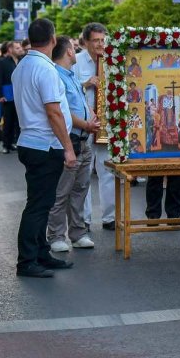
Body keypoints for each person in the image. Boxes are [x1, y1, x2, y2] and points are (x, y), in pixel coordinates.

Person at [12, 18, 78, 278]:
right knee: (39, 206)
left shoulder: (23, 66)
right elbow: (54, 112)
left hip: (31, 141)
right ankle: (27, 261)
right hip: (44, 145)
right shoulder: (45, 69)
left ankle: (41, 252)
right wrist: (68, 148)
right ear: (53, 39)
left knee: (42, 201)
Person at [46, 36, 99, 253]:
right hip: (71, 139)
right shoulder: (56, 76)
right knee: (62, 192)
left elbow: (82, 103)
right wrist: (87, 124)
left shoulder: (71, 76)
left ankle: (78, 233)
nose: (75, 50)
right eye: (73, 47)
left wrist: (93, 117)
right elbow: (63, 111)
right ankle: (56, 236)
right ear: (68, 51)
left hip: (84, 140)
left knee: (80, 189)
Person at [74, 23, 116, 231]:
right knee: (84, 172)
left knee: (107, 169)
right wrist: (87, 83)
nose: (100, 44)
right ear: (86, 42)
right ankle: (85, 219)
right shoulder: (77, 60)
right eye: (96, 41)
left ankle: (110, 217)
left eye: (103, 40)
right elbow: (69, 88)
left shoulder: (113, 59)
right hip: (83, 123)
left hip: (106, 122)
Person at [0, 41, 20, 153]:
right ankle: (5, 145)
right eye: (17, 48)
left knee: (18, 122)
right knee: (8, 121)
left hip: (20, 96)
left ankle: (13, 142)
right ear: (10, 49)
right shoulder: (2, 62)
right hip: (7, 96)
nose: (20, 50)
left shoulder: (21, 61)